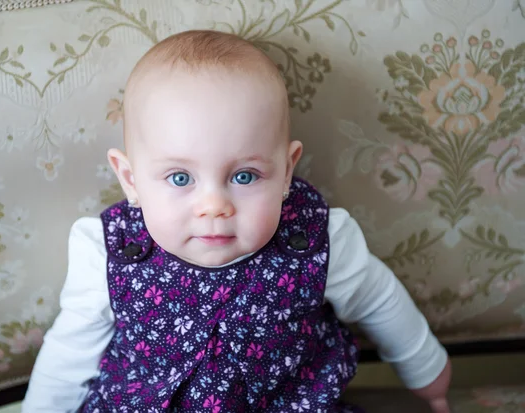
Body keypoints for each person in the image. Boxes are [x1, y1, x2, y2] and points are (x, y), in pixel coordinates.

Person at [23, 30, 451, 412]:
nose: (214, 205)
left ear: (286, 171)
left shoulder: (318, 242)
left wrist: (428, 375)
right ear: (131, 180)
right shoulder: (108, 250)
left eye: (244, 176)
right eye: (180, 177)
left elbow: (381, 303)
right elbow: (69, 353)